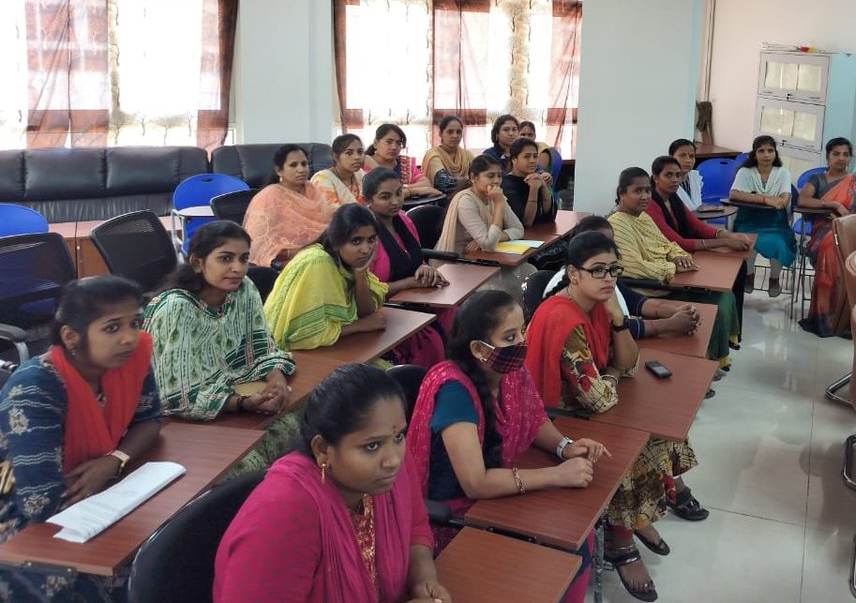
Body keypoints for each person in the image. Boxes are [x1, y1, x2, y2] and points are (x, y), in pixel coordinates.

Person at [528, 232, 708, 603]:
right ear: (572, 273)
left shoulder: (597, 305)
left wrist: (618, 321)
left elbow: (630, 363)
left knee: (661, 429)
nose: (608, 278)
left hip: (582, 405)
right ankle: (620, 540)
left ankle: (635, 520)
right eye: (597, 271)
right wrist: (609, 372)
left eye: (613, 270)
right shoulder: (564, 317)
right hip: (551, 420)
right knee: (627, 443)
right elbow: (599, 397)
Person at [405, 290, 608, 603]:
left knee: (582, 537)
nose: (522, 343)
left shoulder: (508, 370)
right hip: (457, 518)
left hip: (497, 497)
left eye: (522, 332)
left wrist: (564, 447)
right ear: (478, 349)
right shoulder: (455, 392)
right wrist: (556, 476)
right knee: (565, 549)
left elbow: (534, 418)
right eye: (510, 336)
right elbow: (475, 483)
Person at [214, 364, 450, 603]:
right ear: (323, 449)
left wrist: (423, 579)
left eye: (398, 436)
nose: (394, 460)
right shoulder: (282, 515)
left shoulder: (386, 468)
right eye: (372, 446)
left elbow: (415, 527)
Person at [0, 276, 162, 603]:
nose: (130, 338)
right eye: (112, 328)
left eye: (135, 322)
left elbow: (150, 421)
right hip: (20, 513)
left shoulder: (129, 359)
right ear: (72, 337)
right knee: (125, 571)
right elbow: (39, 504)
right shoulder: (36, 388)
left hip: (92, 492)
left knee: (171, 539)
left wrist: (113, 461)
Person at [144, 221, 298, 473]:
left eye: (244, 258)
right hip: (181, 423)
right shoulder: (176, 308)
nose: (237, 268)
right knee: (247, 465)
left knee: (305, 415)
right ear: (197, 263)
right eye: (225, 258)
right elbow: (174, 398)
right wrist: (241, 404)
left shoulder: (244, 289)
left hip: (233, 396)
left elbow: (262, 346)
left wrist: (276, 378)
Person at [609, 167, 739, 370]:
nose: (644, 196)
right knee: (715, 307)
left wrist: (678, 256)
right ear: (621, 194)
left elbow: (667, 244)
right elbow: (634, 268)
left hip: (667, 282)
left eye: (647, 191)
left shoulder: (641, 216)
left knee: (725, 297)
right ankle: (702, 367)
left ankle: (714, 359)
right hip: (647, 290)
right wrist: (672, 268)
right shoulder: (616, 223)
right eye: (637, 191)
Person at [646, 157, 750, 363]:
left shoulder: (673, 198)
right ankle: (712, 354)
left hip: (687, 258)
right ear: (655, 178)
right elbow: (679, 242)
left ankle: (728, 339)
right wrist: (724, 243)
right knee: (721, 293)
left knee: (738, 270)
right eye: (668, 175)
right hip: (674, 264)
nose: (675, 180)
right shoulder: (651, 206)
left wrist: (727, 236)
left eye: (678, 175)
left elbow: (697, 227)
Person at [541, 217, 704, 344]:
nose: (605, 247)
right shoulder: (569, 287)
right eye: (597, 241)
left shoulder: (604, 272)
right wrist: (670, 324)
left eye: (610, 241)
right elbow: (613, 328)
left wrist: (679, 312)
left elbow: (636, 302)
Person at [264, 204, 388, 351]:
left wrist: (360, 275)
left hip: (329, 349)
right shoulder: (318, 262)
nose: (366, 249)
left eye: (371, 239)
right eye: (356, 241)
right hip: (289, 353)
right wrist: (359, 326)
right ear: (337, 241)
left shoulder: (349, 263)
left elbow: (367, 313)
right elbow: (302, 335)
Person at [361, 169, 453, 368]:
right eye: (385, 197)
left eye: (398, 193)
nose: (395, 201)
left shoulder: (404, 220)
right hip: (385, 308)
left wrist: (425, 270)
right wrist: (409, 282)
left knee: (453, 312)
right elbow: (368, 291)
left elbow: (416, 259)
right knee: (431, 340)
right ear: (368, 200)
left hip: (413, 296)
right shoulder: (365, 237)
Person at [796, 137, 856, 337]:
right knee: (832, 247)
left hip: (852, 232)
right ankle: (830, 318)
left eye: (845, 154)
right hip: (823, 234)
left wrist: (846, 219)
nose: (841, 158)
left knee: (848, 254)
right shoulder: (818, 180)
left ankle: (843, 318)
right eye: (836, 154)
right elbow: (803, 200)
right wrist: (832, 205)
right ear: (828, 156)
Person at [244, 143, 335, 267]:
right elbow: (259, 244)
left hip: (320, 250)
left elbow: (328, 217)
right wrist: (300, 251)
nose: (301, 169)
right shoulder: (270, 196)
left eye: (304, 164)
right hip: (289, 261)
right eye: (293, 165)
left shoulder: (310, 188)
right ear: (279, 170)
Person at [728, 134, 797, 298]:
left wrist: (756, 198)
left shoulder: (783, 173)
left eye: (770, 150)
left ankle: (774, 279)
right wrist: (765, 199)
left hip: (775, 224)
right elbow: (734, 195)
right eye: (761, 151)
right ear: (755, 154)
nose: (766, 155)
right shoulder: (745, 172)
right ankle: (748, 276)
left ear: (775, 153)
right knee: (748, 242)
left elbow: (783, 200)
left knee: (778, 243)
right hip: (748, 221)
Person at [436, 155, 524, 256]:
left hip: (484, 256)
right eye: (490, 176)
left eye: (499, 176)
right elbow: (489, 245)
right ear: (474, 177)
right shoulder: (466, 201)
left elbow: (518, 229)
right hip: (460, 259)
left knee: (529, 269)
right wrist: (499, 205)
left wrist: (487, 239)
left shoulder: (496, 196)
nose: (496, 181)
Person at [363, 123, 436, 201]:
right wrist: (413, 191)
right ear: (375, 144)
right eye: (389, 142)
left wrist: (403, 187)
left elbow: (426, 184)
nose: (394, 147)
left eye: (398, 143)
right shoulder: (364, 165)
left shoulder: (405, 163)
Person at [501, 137, 557, 227]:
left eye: (535, 156)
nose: (532, 161)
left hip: (543, 234)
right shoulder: (507, 184)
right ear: (514, 159)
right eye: (527, 156)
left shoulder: (535, 178)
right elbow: (526, 223)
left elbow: (550, 216)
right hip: (520, 239)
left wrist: (542, 184)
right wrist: (534, 189)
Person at [420, 115, 473, 195]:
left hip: (467, 197)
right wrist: (470, 180)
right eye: (450, 132)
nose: (455, 136)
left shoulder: (467, 155)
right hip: (441, 201)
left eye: (458, 132)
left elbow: (481, 174)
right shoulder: (433, 155)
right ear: (441, 134)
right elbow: (444, 182)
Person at [310, 133, 365, 207]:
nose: (357, 157)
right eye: (349, 153)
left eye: (360, 152)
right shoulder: (322, 179)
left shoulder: (360, 174)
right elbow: (332, 214)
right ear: (335, 157)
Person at [668, 139, 704, 211]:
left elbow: (699, 207)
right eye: (682, 155)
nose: (688, 160)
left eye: (691, 156)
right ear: (671, 157)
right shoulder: (664, 181)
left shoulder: (695, 177)